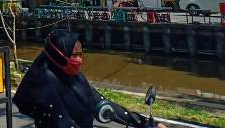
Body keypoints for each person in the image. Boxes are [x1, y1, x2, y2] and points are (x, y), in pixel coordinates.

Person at [13, 29, 167, 128]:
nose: (79, 59)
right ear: (58, 55)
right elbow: (63, 123)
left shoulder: (74, 77)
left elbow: (97, 101)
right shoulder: (44, 84)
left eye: (81, 54)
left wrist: (144, 122)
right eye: (74, 55)